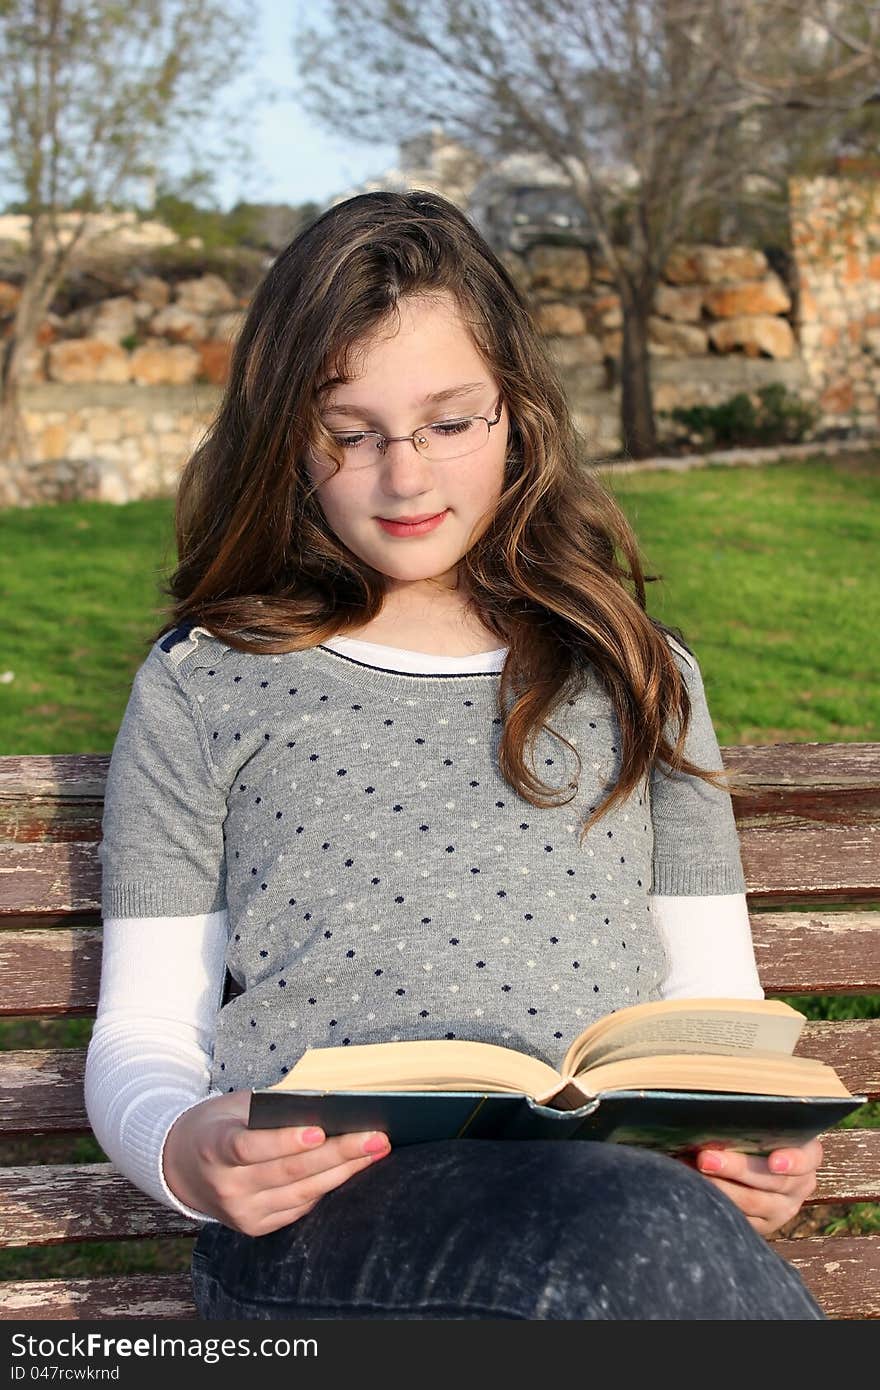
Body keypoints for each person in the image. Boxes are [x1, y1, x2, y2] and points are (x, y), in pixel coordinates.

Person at [84, 189, 825, 1321]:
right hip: (326, 1232)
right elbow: (142, 1030)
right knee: (630, 1235)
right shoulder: (207, 682)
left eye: (447, 422)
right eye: (350, 431)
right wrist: (186, 1150)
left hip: (617, 1216)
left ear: (517, 414)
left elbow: (715, 1000)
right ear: (287, 434)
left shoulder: (636, 668)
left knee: (633, 1226)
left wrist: (743, 1145)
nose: (405, 476)